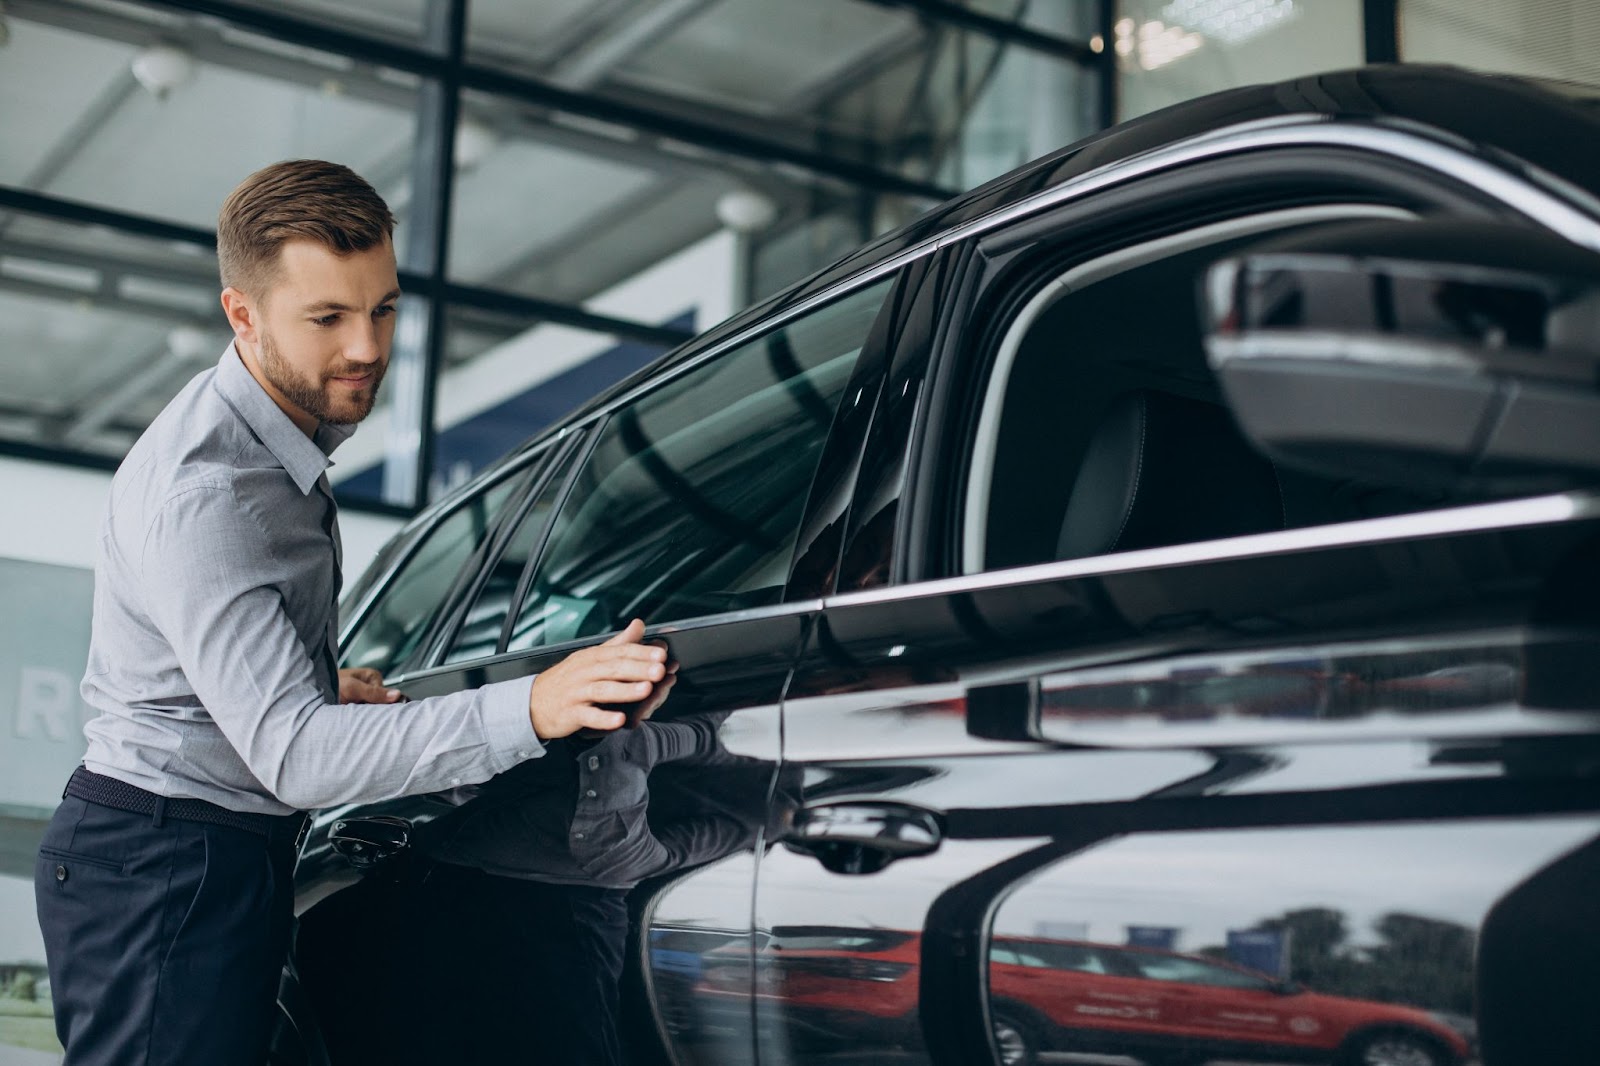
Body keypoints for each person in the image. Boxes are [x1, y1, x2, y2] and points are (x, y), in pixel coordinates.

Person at [33, 159, 670, 1066]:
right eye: (327, 317)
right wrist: (532, 707)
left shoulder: (272, 444)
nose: (368, 347)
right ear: (242, 316)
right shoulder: (214, 493)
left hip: (199, 850)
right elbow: (293, 754)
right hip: (166, 866)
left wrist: (302, 677)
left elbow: (209, 658)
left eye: (383, 309)